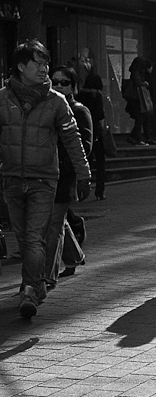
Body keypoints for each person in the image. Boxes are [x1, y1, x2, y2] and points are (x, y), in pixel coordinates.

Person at [0, 40, 91, 318]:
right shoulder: (2, 98)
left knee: (35, 238)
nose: (44, 69)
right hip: (12, 178)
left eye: (46, 64)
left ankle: (30, 289)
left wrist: (84, 174)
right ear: (21, 66)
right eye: (38, 63)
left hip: (43, 181)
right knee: (23, 238)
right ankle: (36, 285)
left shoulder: (56, 101)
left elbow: (73, 139)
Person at [44, 66, 93, 287]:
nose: (59, 86)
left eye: (64, 82)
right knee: (57, 221)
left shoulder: (79, 111)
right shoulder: (49, 108)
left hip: (65, 175)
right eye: (55, 81)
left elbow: (85, 146)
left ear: (73, 86)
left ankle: (47, 276)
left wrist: (78, 173)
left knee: (53, 224)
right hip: (46, 173)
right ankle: (73, 257)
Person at [77, 73, 108, 200]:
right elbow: (100, 115)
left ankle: (81, 190)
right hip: (95, 131)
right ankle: (99, 192)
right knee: (100, 162)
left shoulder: (79, 95)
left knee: (85, 160)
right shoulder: (97, 95)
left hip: (82, 130)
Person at [125, 56, 156, 146]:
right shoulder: (137, 73)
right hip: (138, 98)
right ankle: (137, 137)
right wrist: (144, 83)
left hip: (136, 98)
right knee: (140, 118)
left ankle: (135, 137)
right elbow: (138, 82)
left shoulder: (136, 72)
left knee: (141, 118)